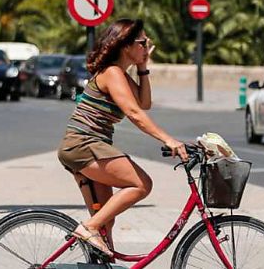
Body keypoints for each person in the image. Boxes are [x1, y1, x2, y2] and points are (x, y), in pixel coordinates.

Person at [57, 19, 188, 257]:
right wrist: (169, 140)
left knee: (106, 225)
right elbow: (135, 114)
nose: (146, 47)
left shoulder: (121, 74)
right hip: (84, 144)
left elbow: (144, 103)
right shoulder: (112, 73)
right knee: (142, 184)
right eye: (142, 42)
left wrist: (143, 67)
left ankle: (95, 236)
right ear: (126, 45)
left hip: (88, 145)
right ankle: (88, 228)